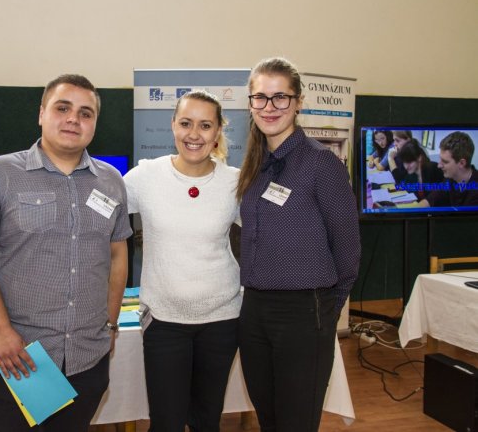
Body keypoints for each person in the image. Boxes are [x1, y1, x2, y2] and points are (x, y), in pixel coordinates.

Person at [0, 74, 132, 432]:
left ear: (94, 123)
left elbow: (117, 255)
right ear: (41, 114)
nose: (73, 119)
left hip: (87, 356)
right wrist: (1, 331)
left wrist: (111, 324)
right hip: (19, 357)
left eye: (85, 113)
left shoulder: (111, 181)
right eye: (62, 108)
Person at [236, 57, 361, 432]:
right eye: (260, 98)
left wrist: (325, 307)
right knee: (269, 417)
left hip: (305, 311)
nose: (269, 107)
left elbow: (348, 245)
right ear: (250, 103)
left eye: (280, 98)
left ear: (298, 102)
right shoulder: (255, 166)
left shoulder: (321, 162)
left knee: (296, 421)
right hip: (255, 309)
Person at [123, 90, 241, 432]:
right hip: (164, 321)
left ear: (218, 131)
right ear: (173, 124)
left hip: (222, 321)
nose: (194, 134)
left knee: (207, 422)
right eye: (186, 123)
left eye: (206, 125)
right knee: (165, 423)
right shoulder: (145, 177)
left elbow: (271, 233)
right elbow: (100, 213)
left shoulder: (234, 182)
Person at [418, 131, 478, 207]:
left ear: (462, 163)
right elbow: (430, 200)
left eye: (445, 162)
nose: (439, 165)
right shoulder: (451, 179)